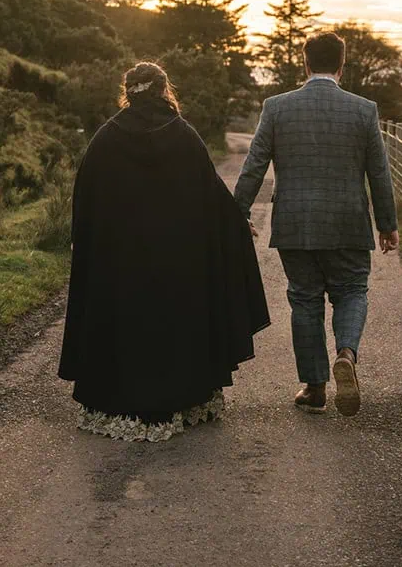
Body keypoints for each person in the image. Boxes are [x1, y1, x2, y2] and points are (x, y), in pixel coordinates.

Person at [59, 61, 270, 441]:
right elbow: (211, 193)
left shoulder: (105, 138)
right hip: (176, 259)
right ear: (162, 89)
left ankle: (119, 400)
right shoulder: (184, 135)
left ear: (128, 93)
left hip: (120, 261)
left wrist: (85, 242)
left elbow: (85, 198)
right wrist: (238, 223)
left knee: (125, 324)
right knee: (172, 324)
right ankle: (178, 398)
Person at [232, 31, 397, 416]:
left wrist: (238, 213)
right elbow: (379, 173)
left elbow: (254, 166)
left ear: (305, 64)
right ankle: (346, 354)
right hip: (348, 222)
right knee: (352, 290)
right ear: (342, 65)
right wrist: (387, 224)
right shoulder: (363, 110)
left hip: (295, 223)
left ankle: (315, 387)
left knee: (304, 300)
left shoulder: (276, 107)